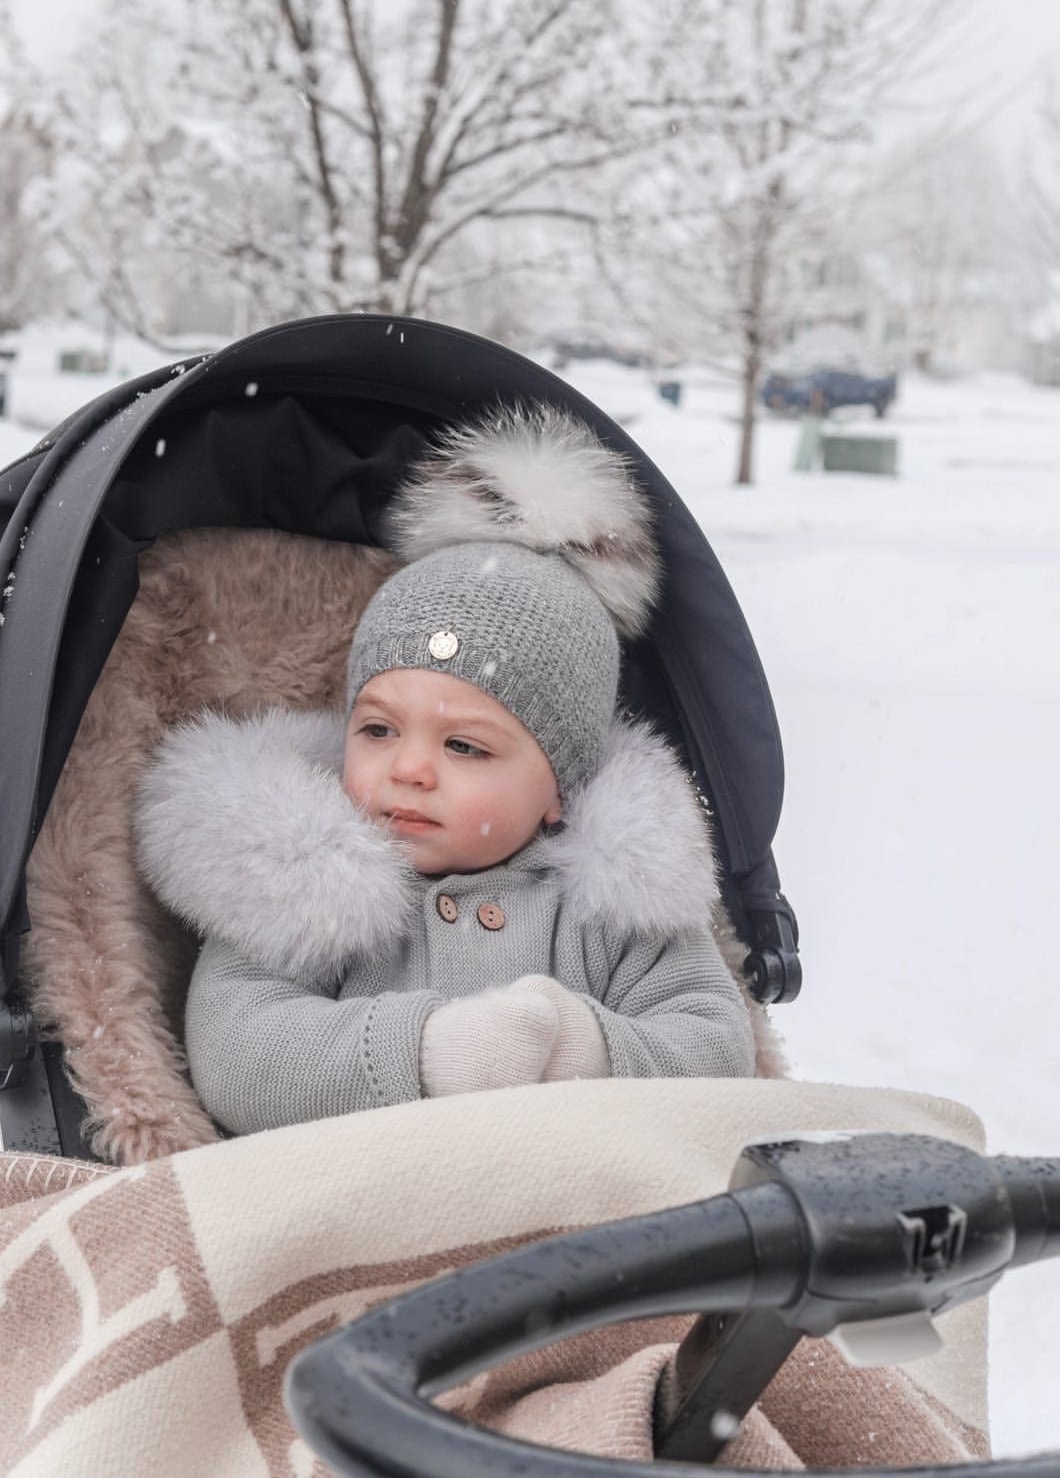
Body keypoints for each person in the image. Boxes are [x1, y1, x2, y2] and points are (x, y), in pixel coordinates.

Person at [135, 405, 756, 1135]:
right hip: (357, 1211)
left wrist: (591, 1051)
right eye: (377, 729)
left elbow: (715, 1043)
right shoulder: (304, 883)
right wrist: (428, 1053)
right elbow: (241, 1053)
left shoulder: (609, 907)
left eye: (464, 747)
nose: (409, 769)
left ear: (562, 786)